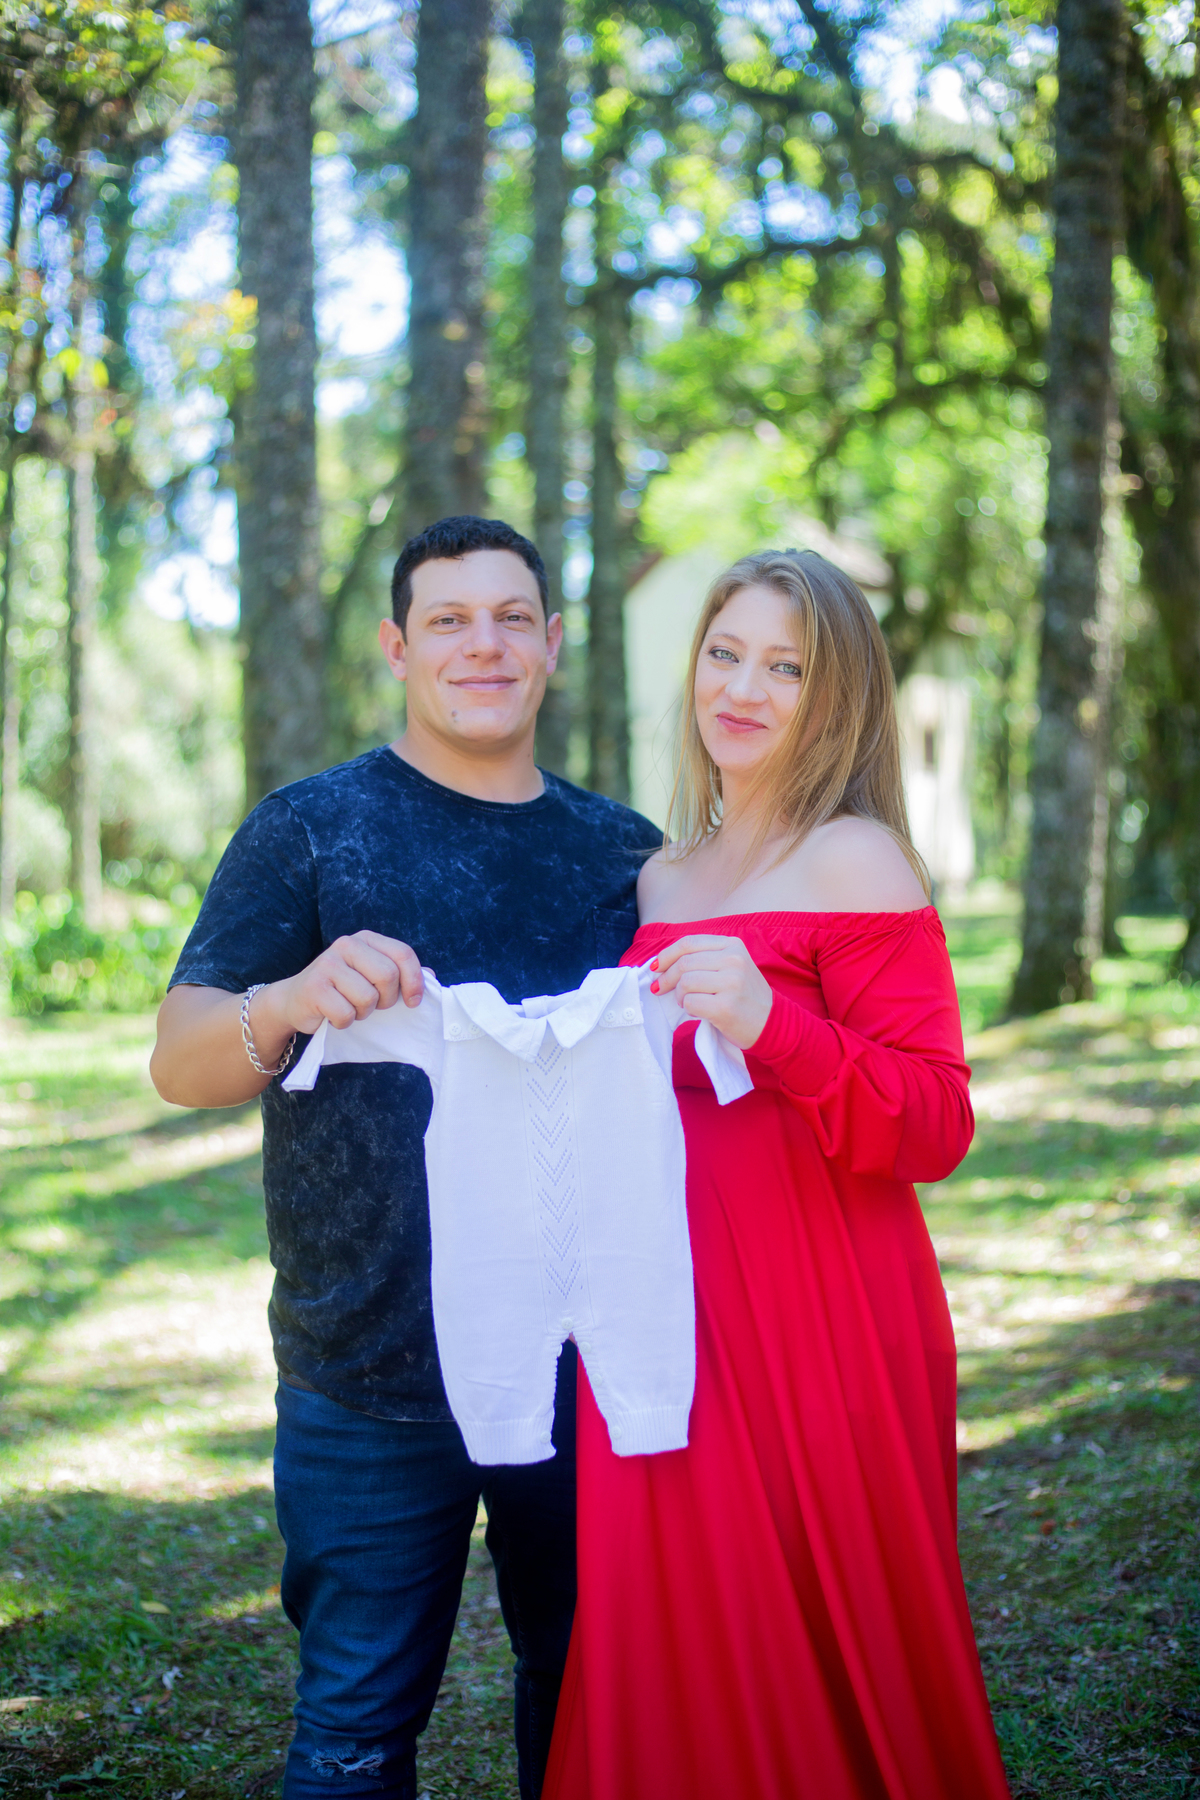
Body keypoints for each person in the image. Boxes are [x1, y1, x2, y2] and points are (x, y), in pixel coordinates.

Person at [150, 515, 660, 1800]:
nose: (480, 645)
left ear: (550, 644)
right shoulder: (312, 829)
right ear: (397, 646)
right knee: (356, 1731)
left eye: (508, 619)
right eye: (448, 619)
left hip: (580, 1366)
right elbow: (182, 1059)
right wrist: (295, 996)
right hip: (365, 1370)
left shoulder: (631, 855)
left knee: (597, 1704)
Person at [542, 550, 1012, 1800]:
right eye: (725, 653)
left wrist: (774, 1021)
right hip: (661, 1309)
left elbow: (936, 1122)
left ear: (835, 697)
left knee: (824, 1624)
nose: (743, 688)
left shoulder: (858, 860)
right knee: (677, 1621)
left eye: (786, 666)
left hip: (822, 1311)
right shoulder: (659, 880)